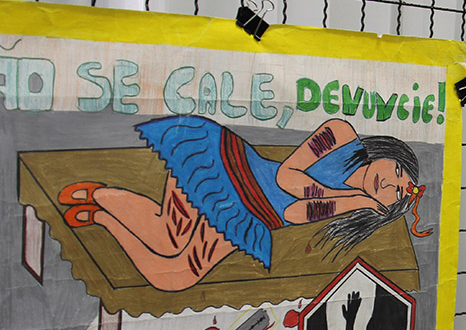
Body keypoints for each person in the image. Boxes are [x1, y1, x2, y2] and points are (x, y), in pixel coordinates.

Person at [56, 116, 426, 291]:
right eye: (396, 170)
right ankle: (100, 195)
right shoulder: (342, 135)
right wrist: (349, 196)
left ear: (386, 207)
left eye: (396, 192)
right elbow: (287, 178)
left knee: (176, 277)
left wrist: (351, 203)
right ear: (385, 153)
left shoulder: (352, 205)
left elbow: (292, 212)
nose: (389, 182)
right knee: (170, 234)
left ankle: (103, 217)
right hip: (228, 170)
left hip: (251, 216)